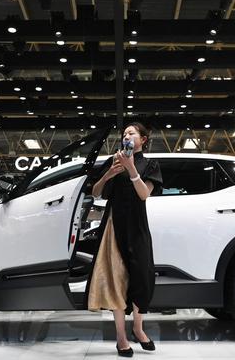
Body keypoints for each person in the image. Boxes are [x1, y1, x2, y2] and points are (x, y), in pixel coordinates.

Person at [86, 122, 162, 357]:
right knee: (116, 280)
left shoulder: (150, 164)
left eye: (131, 133)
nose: (126, 136)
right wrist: (110, 172)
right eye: (124, 133)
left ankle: (138, 328)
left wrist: (131, 170)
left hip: (137, 227)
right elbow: (96, 192)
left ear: (143, 139)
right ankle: (121, 338)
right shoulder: (114, 161)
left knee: (143, 276)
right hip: (113, 226)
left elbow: (143, 194)